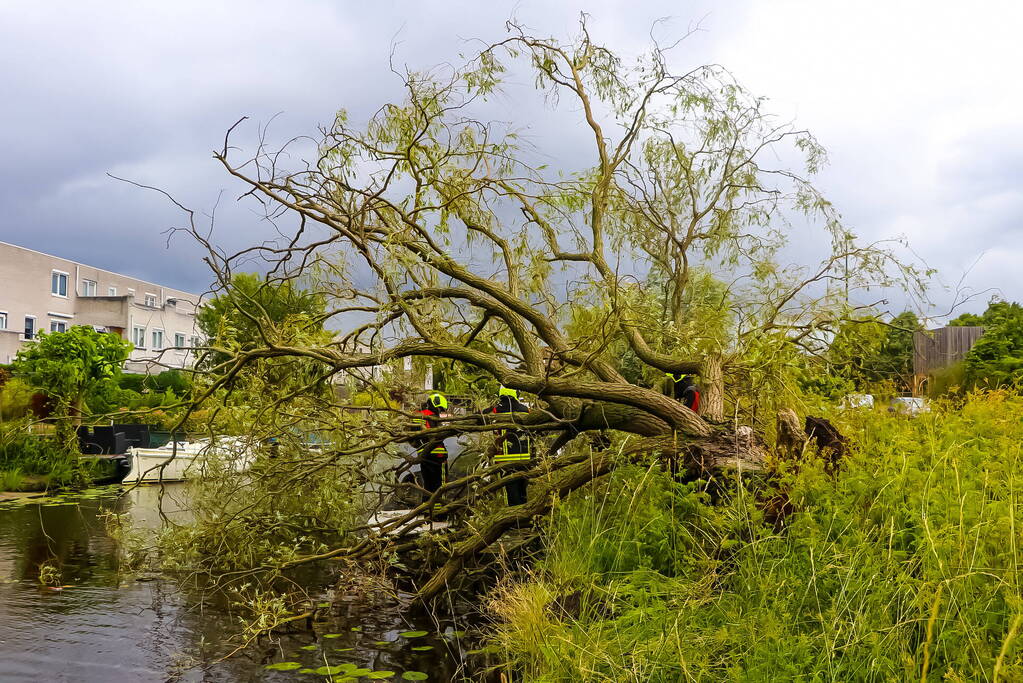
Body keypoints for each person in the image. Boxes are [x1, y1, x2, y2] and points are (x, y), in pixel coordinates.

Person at [490, 386, 531, 506]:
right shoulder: (525, 409)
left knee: (511, 489)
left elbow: (495, 432)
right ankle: (525, 514)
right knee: (523, 487)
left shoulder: (496, 410)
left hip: (506, 456)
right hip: (524, 455)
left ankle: (515, 517)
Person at [411, 392, 449, 507]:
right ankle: (440, 513)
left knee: (427, 486)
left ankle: (428, 512)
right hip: (438, 458)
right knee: (440, 486)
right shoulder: (432, 417)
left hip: (424, 457)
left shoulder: (418, 416)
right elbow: (438, 437)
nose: (440, 412)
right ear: (436, 405)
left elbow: (414, 439)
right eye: (440, 409)